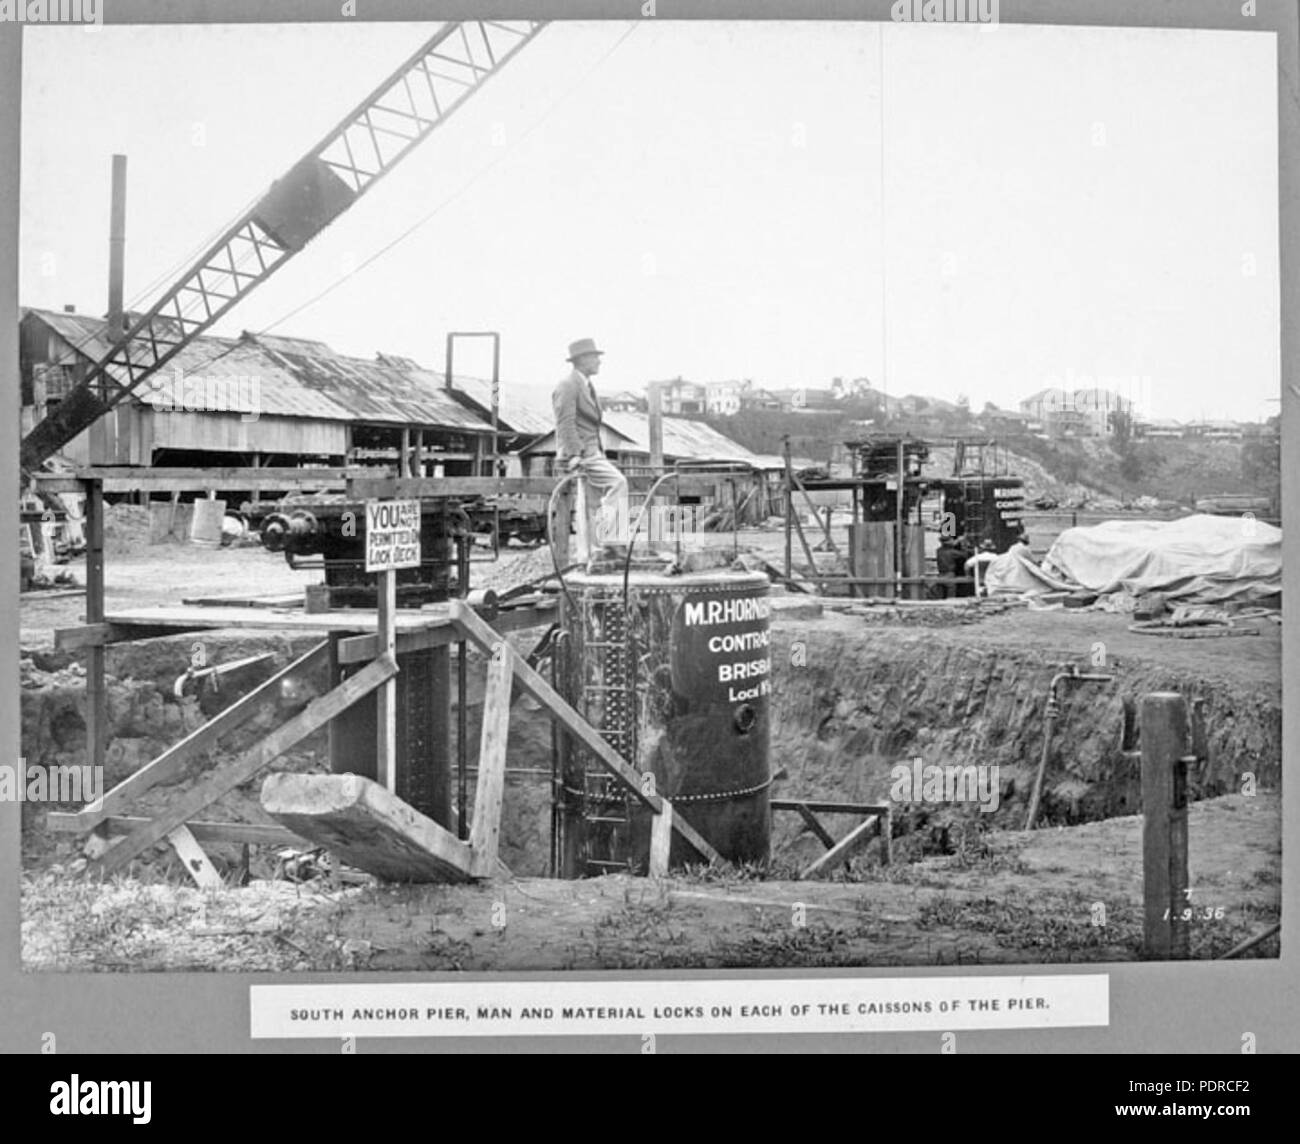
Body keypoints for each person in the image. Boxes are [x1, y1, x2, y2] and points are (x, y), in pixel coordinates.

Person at [552, 337, 629, 565]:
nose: (599, 362)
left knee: (592, 504)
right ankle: (613, 542)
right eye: (595, 357)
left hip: (593, 451)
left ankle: (593, 553)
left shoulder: (586, 385)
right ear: (583, 360)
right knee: (619, 483)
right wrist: (575, 453)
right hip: (584, 453)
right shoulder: (568, 385)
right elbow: (565, 422)